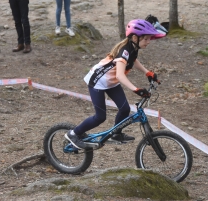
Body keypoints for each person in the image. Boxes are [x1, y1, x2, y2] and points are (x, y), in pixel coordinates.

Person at [64, 19, 162, 149]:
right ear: (134, 37)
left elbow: (133, 60)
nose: (149, 42)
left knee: (125, 109)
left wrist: (147, 72)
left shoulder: (133, 47)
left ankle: (116, 134)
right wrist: (136, 89)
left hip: (110, 82)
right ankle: (73, 134)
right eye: (146, 39)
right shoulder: (124, 51)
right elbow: (120, 76)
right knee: (100, 117)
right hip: (97, 82)